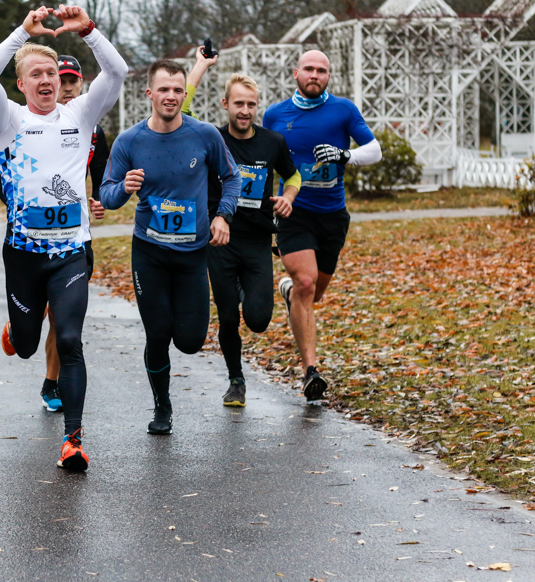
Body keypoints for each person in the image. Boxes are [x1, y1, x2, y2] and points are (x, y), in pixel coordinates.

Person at [0, 4, 126, 470]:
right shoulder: (9, 120)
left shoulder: (79, 115)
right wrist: (22, 33)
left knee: (70, 338)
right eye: (35, 74)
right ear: (20, 84)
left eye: (51, 74)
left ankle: (73, 441)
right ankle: (16, 328)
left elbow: (118, 73)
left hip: (69, 254)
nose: (46, 80)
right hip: (22, 255)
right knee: (25, 346)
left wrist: (90, 33)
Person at [100, 59, 240, 435]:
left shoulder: (206, 135)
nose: (172, 96)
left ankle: (176, 361)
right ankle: (162, 406)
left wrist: (222, 216)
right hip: (149, 253)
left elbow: (232, 177)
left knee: (192, 342)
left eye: (178, 89)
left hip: (193, 254)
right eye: (164, 89)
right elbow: (106, 195)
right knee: (158, 333)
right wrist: (124, 189)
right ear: (150, 93)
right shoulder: (130, 141)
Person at [0, 53, 110, 414]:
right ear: (25, 84)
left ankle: (52, 383)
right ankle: (20, 323)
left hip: (72, 237)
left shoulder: (91, 124)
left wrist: (100, 200)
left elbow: (102, 176)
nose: (63, 87)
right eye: (59, 80)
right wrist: (18, 202)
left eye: (68, 81)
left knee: (64, 318)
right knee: (37, 320)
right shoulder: (19, 122)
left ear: (80, 85)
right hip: (29, 240)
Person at [181, 47, 301, 407]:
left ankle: (269, 291)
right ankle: (236, 381)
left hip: (258, 239)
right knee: (228, 315)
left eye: (251, 105)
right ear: (225, 105)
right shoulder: (210, 137)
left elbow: (293, 174)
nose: (245, 111)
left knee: (259, 320)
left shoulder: (272, 142)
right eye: (238, 104)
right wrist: (200, 65)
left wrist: (289, 197)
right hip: (220, 240)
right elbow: (182, 109)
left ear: (257, 107)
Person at [262, 50, 382, 402]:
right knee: (306, 282)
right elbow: (264, 163)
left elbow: (374, 150)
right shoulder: (275, 114)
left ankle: (288, 293)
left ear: (329, 77)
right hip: (293, 212)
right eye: (309, 69)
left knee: (314, 294)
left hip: (333, 215)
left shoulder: (343, 110)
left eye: (322, 71)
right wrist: (264, 210)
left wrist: (346, 155)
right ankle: (310, 370)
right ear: (296, 72)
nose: (315, 75)